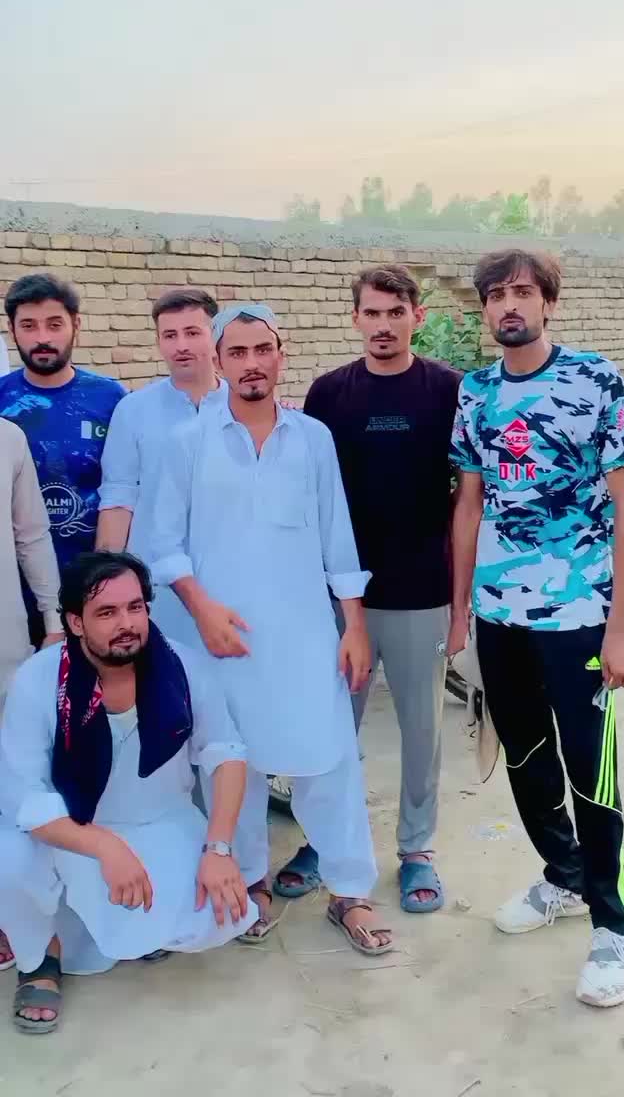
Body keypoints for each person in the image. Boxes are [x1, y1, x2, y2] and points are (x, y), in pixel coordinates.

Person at [150, 302, 393, 955]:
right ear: (219, 361)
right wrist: (202, 608)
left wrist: (353, 626)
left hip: (306, 633)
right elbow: (162, 542)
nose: (252, 363)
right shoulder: (188, 443)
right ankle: (251, 881)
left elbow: (337, 537)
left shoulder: (312, 438)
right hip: (221, 638)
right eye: (238, 352)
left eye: (264, 350)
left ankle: (350, 891)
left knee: (329, 759)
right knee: (235, 761)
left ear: (281, 355)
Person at [447, 248, 624, 1009]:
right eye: (496, 294)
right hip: (501, 614)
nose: (509, 305)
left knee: (591, 769)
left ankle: (614, 926)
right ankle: (562, 875)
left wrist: (621, 627)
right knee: (527, 758)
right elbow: (470, 506)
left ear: (548, 303)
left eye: (523, 292)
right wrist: (461, 611)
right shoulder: (475, 392)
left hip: (580, 613)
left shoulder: (595, 378)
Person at [0, 551, 256, 1034]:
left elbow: (225, 751)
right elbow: (24, 798)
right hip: (67, 831)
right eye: (107, 612)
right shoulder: (39, 679)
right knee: (8, 857)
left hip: (159, 820)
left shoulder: (180, 664)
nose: (127, 624)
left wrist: (219, 849)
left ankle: (135, 919)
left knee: (206, 920)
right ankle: (39, 959)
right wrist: (104, 845)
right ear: (75, 622)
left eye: (135, 607)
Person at [275, 266, 461, 914]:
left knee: (421, 730)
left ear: (418, 317)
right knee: (329, 727)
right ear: (354, 318)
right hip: (340, 597)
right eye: (372, 313)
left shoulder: (448, 390)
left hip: (422, 591)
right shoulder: (329, 394)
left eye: (395, 312)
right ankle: (322, 840)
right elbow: (309, 495)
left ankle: (416, 849)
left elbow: (468, 496)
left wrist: (461, 603)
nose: (383, 325)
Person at [0, 274, 126, 646]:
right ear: (11, 329)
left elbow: (127, 492)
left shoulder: (111, 399)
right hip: (14, 595)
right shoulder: (2, 401)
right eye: (28, 326)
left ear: (76, 325)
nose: (42, 337)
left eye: (54, 324)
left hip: (94, 587)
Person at [96, 288, 226, 642]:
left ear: (214, 335)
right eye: (170, 335)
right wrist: (105, 577)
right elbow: (118, 497)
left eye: (192, 332)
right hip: (155, 585)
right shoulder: (133, 410)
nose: (181, 345)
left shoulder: (244, 407)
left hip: (229, 581)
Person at [0, 417, 63, 974]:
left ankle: (22, 923)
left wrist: (53, 617)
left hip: (5, 646)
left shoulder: (8, 439)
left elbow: (31, 535)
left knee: (16, 788)